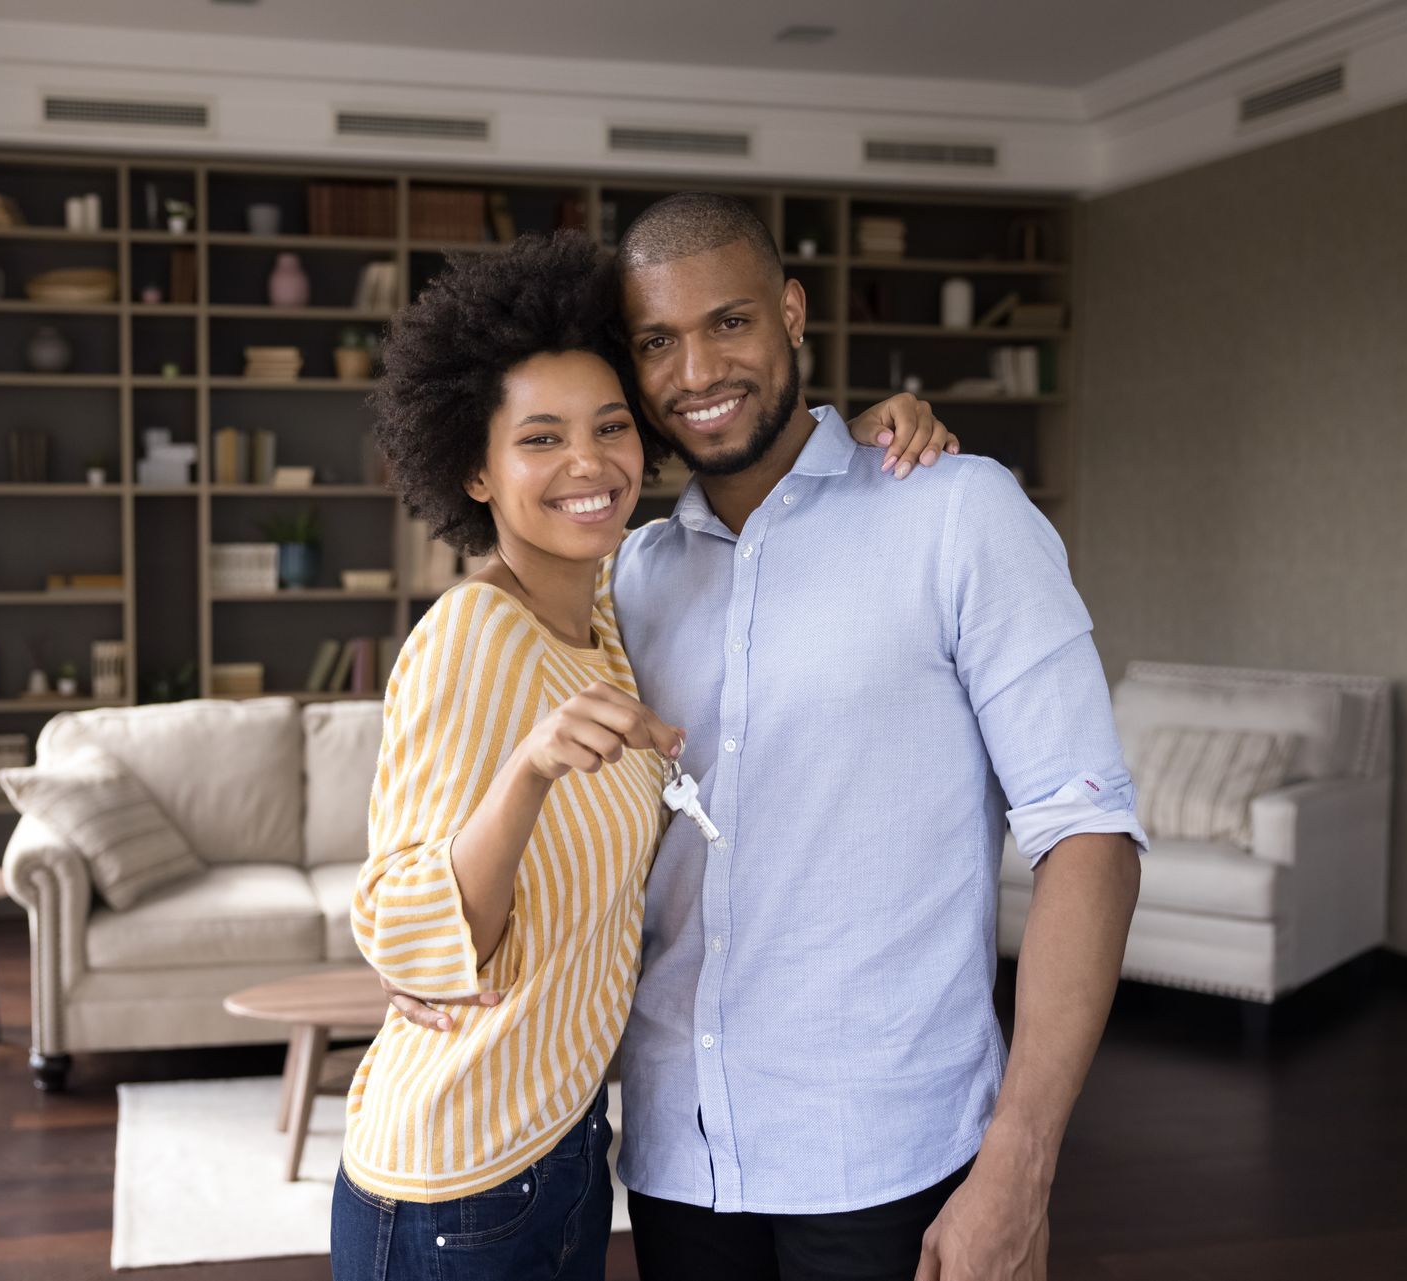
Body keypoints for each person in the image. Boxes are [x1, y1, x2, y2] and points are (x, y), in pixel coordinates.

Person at [389, 194, 1148, 1281]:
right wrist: (426, 941)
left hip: (892, 1154)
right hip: (678, 1156)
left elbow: (1089, 838)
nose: (698, 370)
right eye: (657, 341)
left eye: (730, 322)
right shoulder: (631, 581)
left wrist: (1021, 1163)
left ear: (792, 313)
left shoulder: (956, 515)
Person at [331, 230, 958, 1281]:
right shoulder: (472, 638)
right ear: (474, 473)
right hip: (455, 1175)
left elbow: (773, 493)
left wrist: (851, 446)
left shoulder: (608, 617)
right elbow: (401, 930)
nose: (588, 464)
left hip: (567, 1152)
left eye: (610, 426)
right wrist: (527, 773)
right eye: (539, 440)